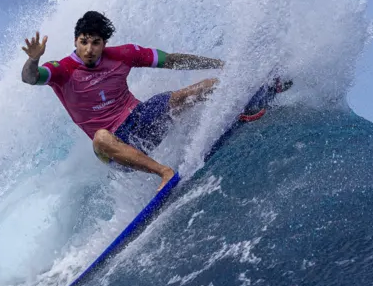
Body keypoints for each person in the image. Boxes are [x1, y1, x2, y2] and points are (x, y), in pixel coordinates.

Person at [21, 11, 223, 189]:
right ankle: (164, 172)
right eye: (84, 42)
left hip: (142, 122)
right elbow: (30, 78)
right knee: (100, 137)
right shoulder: (62, 70)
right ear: (75, 41)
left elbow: (170, 60)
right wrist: (33, 59)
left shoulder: (122, 55)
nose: (89, 49)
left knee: (201, 88)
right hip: (113, 149)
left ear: (104, 44)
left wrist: (219, 63)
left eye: (95, 43)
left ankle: (230, 105)